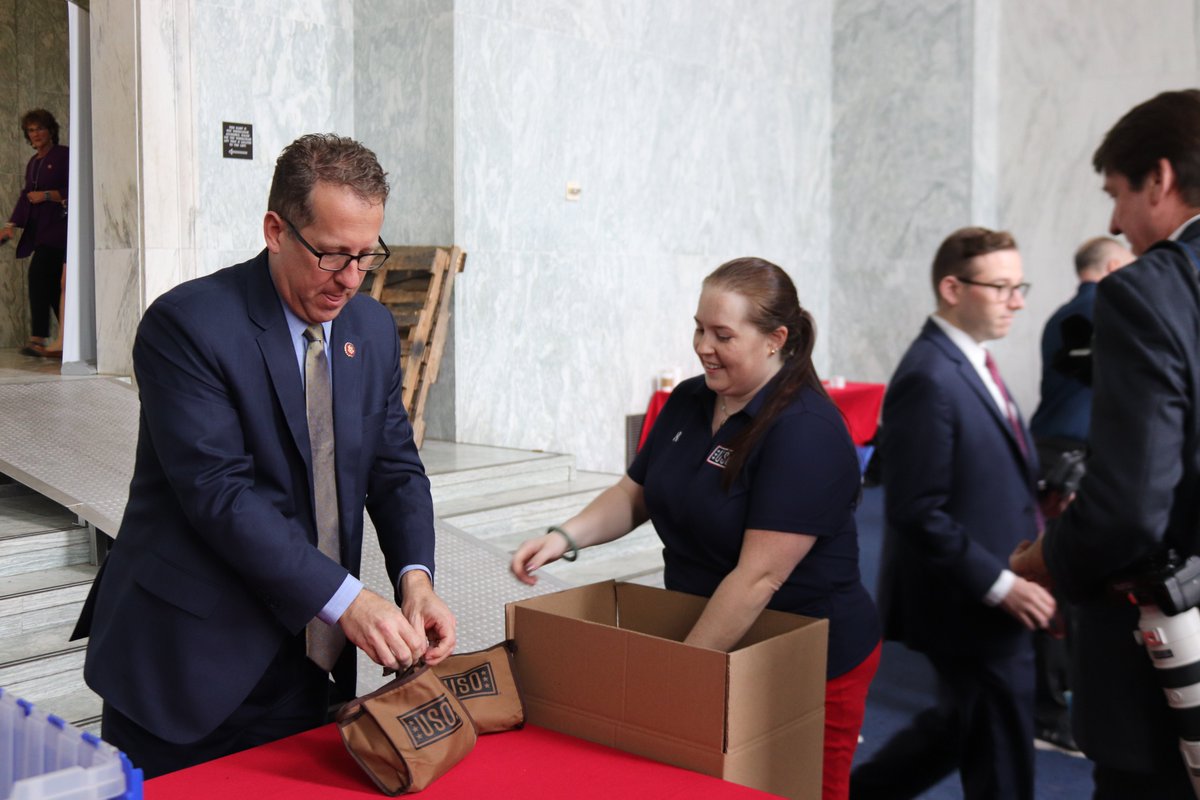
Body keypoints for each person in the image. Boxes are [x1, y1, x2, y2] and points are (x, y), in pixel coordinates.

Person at [70, 133, 456, 778]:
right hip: (189, 663)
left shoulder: (370, 329)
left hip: (311, 660)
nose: (351, 279)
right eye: (332, 255)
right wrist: (349, 600)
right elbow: (219, 495)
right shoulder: (188, 325)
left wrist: (415, 579)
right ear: (276, 230)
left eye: (366, 255)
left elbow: (395, 468)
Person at [511, 257, 881, 800]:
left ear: (775, 339)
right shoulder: (690, 398)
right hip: (712, 635)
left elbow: (758, 578)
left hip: (803, 657)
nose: (703, 346)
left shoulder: (806, 431)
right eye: (699, 328)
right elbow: (636, 492)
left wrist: (683, 671)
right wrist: (564, 537)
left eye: (722, 335)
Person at [1011, 89, 1200, 800]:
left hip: (1170, 662)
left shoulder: (1149, 291)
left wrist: (1044, 559)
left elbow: (1128, 507)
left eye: (1116, 194)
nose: (1115, 221)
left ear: (1160, 178)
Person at [850, 227, 1056, 800]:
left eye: (1019, 287)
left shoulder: (971, 361)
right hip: (971, 598)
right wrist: (1001, 586)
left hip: (993, 583)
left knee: (957, 730)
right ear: (952, 288)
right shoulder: (928, 374)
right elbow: (916, 509)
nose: (1017, 302)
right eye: (1001, 287)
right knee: (1002, 756)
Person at [1025, 235, 1132, 755]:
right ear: (1112, 266)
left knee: (1062, 577)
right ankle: (1048, 713)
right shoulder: (1106, 311)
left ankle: (1059, 694)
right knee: (1061, 581)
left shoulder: (1061, 315)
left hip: (1052, 451)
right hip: (1073, 460)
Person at [0, 109, 68, 357]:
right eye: (31, 130)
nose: (36, 134)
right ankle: (67, 339)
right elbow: (26, 196)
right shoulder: (34, 162)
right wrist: (10, 225)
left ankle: (38, 339)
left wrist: (47, 195)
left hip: (59, 229)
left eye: (40, 128)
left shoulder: (64, 155)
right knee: (52, 286)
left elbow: (75, 187)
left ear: (50, 130)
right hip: (41, 231)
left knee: (38, 276)